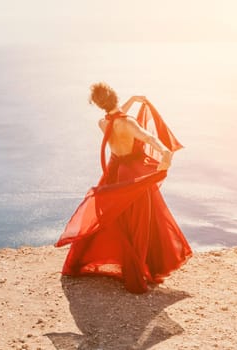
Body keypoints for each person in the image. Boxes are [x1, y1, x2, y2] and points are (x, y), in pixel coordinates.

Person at [54, 82, 192, 294]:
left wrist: (132, 101)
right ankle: (139, 269)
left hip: (113, 174)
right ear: (115, 97)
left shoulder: (102, 123)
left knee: (116, 221)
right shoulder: (129, 124)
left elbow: (115, 117)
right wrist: (166, 153)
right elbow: (149, 137)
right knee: (140, 222)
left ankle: (109, 261)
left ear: (100, 104)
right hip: (131, 175)